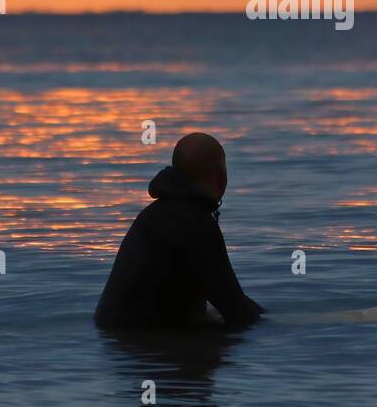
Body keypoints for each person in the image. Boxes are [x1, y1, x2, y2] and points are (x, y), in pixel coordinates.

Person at [94, 133, 265, 329]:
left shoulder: (151, 215)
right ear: (220, 177)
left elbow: (225, 297)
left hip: (116, 341)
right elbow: (237, 312)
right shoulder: (195, 224)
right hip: (148, 345)